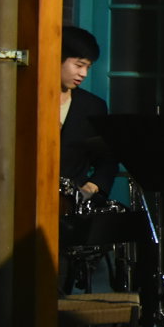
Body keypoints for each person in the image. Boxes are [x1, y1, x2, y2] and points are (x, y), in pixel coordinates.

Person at [59, 25, 116, 199]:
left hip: (72, 203)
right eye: (79, 65)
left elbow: (107, 159)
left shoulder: (92, 106)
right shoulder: (26, 99)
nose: (83, 73)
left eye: (88, 67)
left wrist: (92, 187)